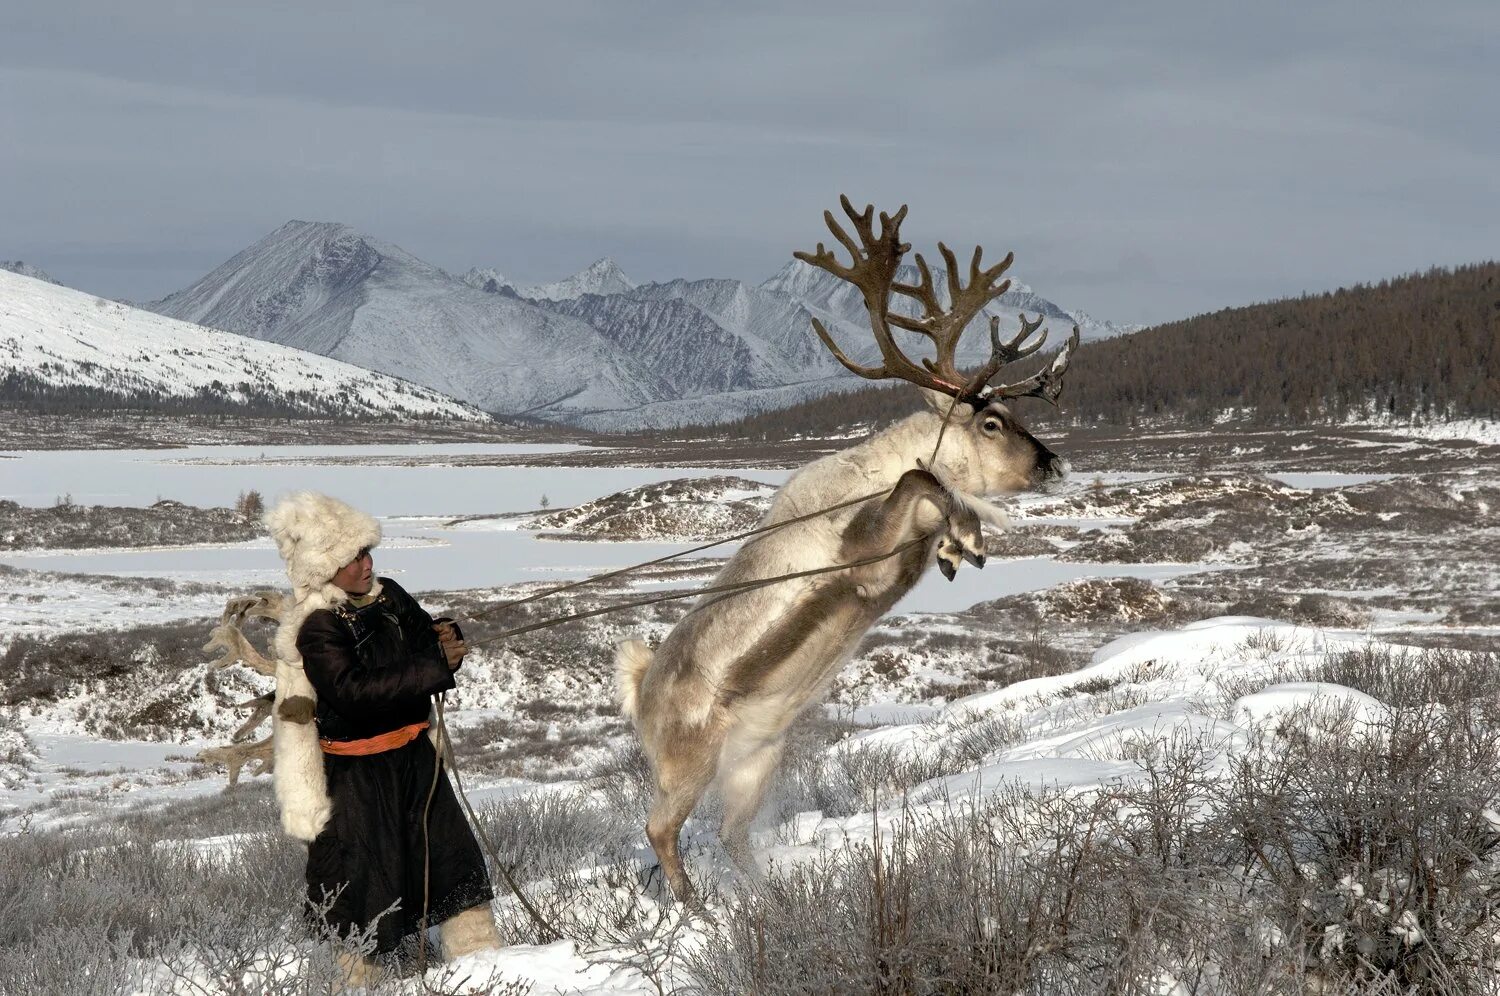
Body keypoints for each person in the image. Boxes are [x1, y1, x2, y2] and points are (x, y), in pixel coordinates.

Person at [264, 491, 498, 985]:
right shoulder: (318, 629)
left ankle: (486, 971)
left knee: (452, 865)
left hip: (413, 759)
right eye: (354, 558)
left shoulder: (389, 595)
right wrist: (436, 665)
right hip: (356, 778)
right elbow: (354, 693)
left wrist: (443, 635)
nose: (367, 565)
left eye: (367, 552)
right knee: (362, 888)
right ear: (324, 568)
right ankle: (359, 986)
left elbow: (418, 639)